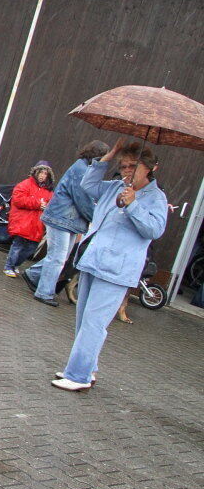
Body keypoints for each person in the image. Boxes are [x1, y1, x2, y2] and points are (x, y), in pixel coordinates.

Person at [52, 140, 167, 392]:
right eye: (123, 166)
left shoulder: (156, 198)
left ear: (149, 168)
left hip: (117, 270)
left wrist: (134, 204)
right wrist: (109, 155)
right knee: (83, 321)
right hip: (94, 260)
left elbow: (154, 230)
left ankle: (78, 375)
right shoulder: (114, 187)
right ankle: (87, 369)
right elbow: (87, 184)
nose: (126, 171)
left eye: (132, 167)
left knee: (94, 323)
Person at [22, 140, 108, 306]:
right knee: (58, 258)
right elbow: (82, 198)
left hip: (66, 219)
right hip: (62, 218)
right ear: (96, 156)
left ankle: (33, 275)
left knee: (59, 257)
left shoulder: (82, 167)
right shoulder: (82, 170)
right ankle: (44, 293)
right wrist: (96, 217)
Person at [3, 163, 54, 277]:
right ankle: (9, 266)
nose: (42, 175)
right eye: (40, 172)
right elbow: (18, 200)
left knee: (31, 248)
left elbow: (52, 204)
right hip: (23, 222)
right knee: (18, 245)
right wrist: (37, 204)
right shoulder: (25, 184)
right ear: (35, 172)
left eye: (45, 173)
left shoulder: (49, 191)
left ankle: (14, 265)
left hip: (37, 225)